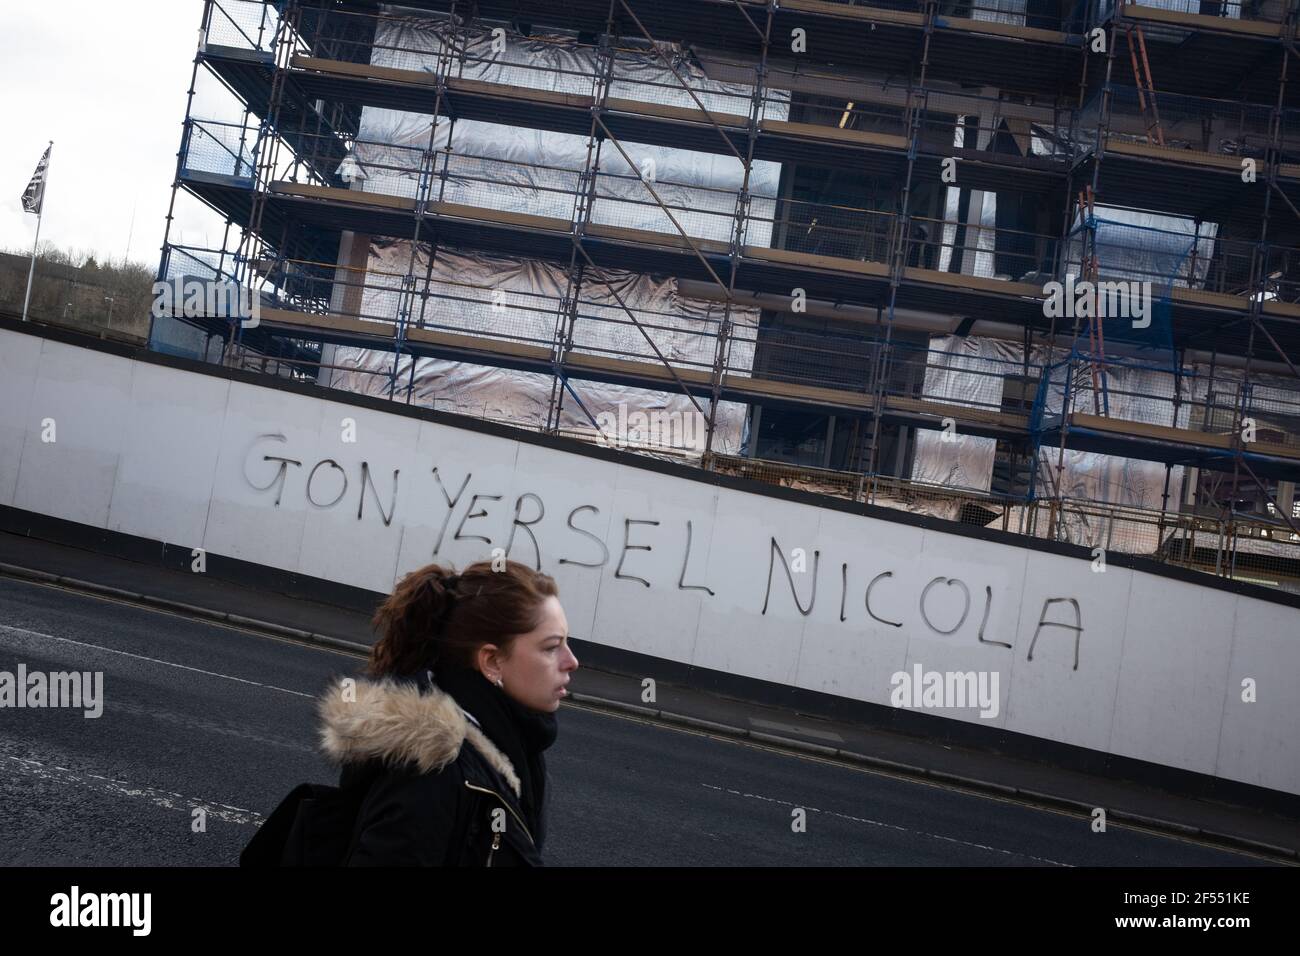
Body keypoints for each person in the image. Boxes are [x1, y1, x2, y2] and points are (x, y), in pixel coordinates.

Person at [316, 559, 579, 866]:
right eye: (551, 647)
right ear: (492, 662)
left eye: (566, 643)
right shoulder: (432, 775)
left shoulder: (512, 747)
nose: (572, 661)